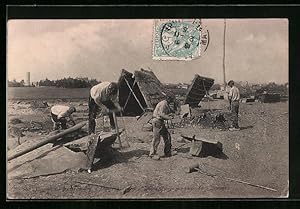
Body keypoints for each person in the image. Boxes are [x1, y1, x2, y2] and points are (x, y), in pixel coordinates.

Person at [149, 94, 176, 160]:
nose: (172, 101)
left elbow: (165, 112)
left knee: (167, 136)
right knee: (156, 138)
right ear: (169, 99)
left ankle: (167, 152)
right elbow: (161, 114)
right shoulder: (163, 104)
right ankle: (152, 154)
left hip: (160, 121)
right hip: (157, 121)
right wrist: (169, 118)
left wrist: (170, 114)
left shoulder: (165, 103)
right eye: (172, 99)